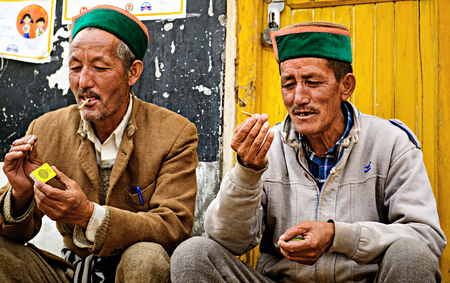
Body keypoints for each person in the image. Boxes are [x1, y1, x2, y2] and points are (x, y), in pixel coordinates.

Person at [171, 21, 446, 282]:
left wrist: (338, 235)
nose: (299, 98)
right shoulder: (269, 147)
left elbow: (427, 238)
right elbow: (226, 240)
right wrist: (247, 173)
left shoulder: (390, 142)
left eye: (313, 82)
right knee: (192, 255)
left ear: (345, 86)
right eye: (289, 84)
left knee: (412, 256)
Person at [0, 5, 198, 283]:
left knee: (146, 256)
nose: (83, 82)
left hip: (135, 270)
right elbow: (17, 233)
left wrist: (90, 216)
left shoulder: (174, 133)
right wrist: (21, 195)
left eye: (100, 67)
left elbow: (173, 226)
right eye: (75, 67)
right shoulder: (45, 130)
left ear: (133, 72)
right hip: (72, 272)